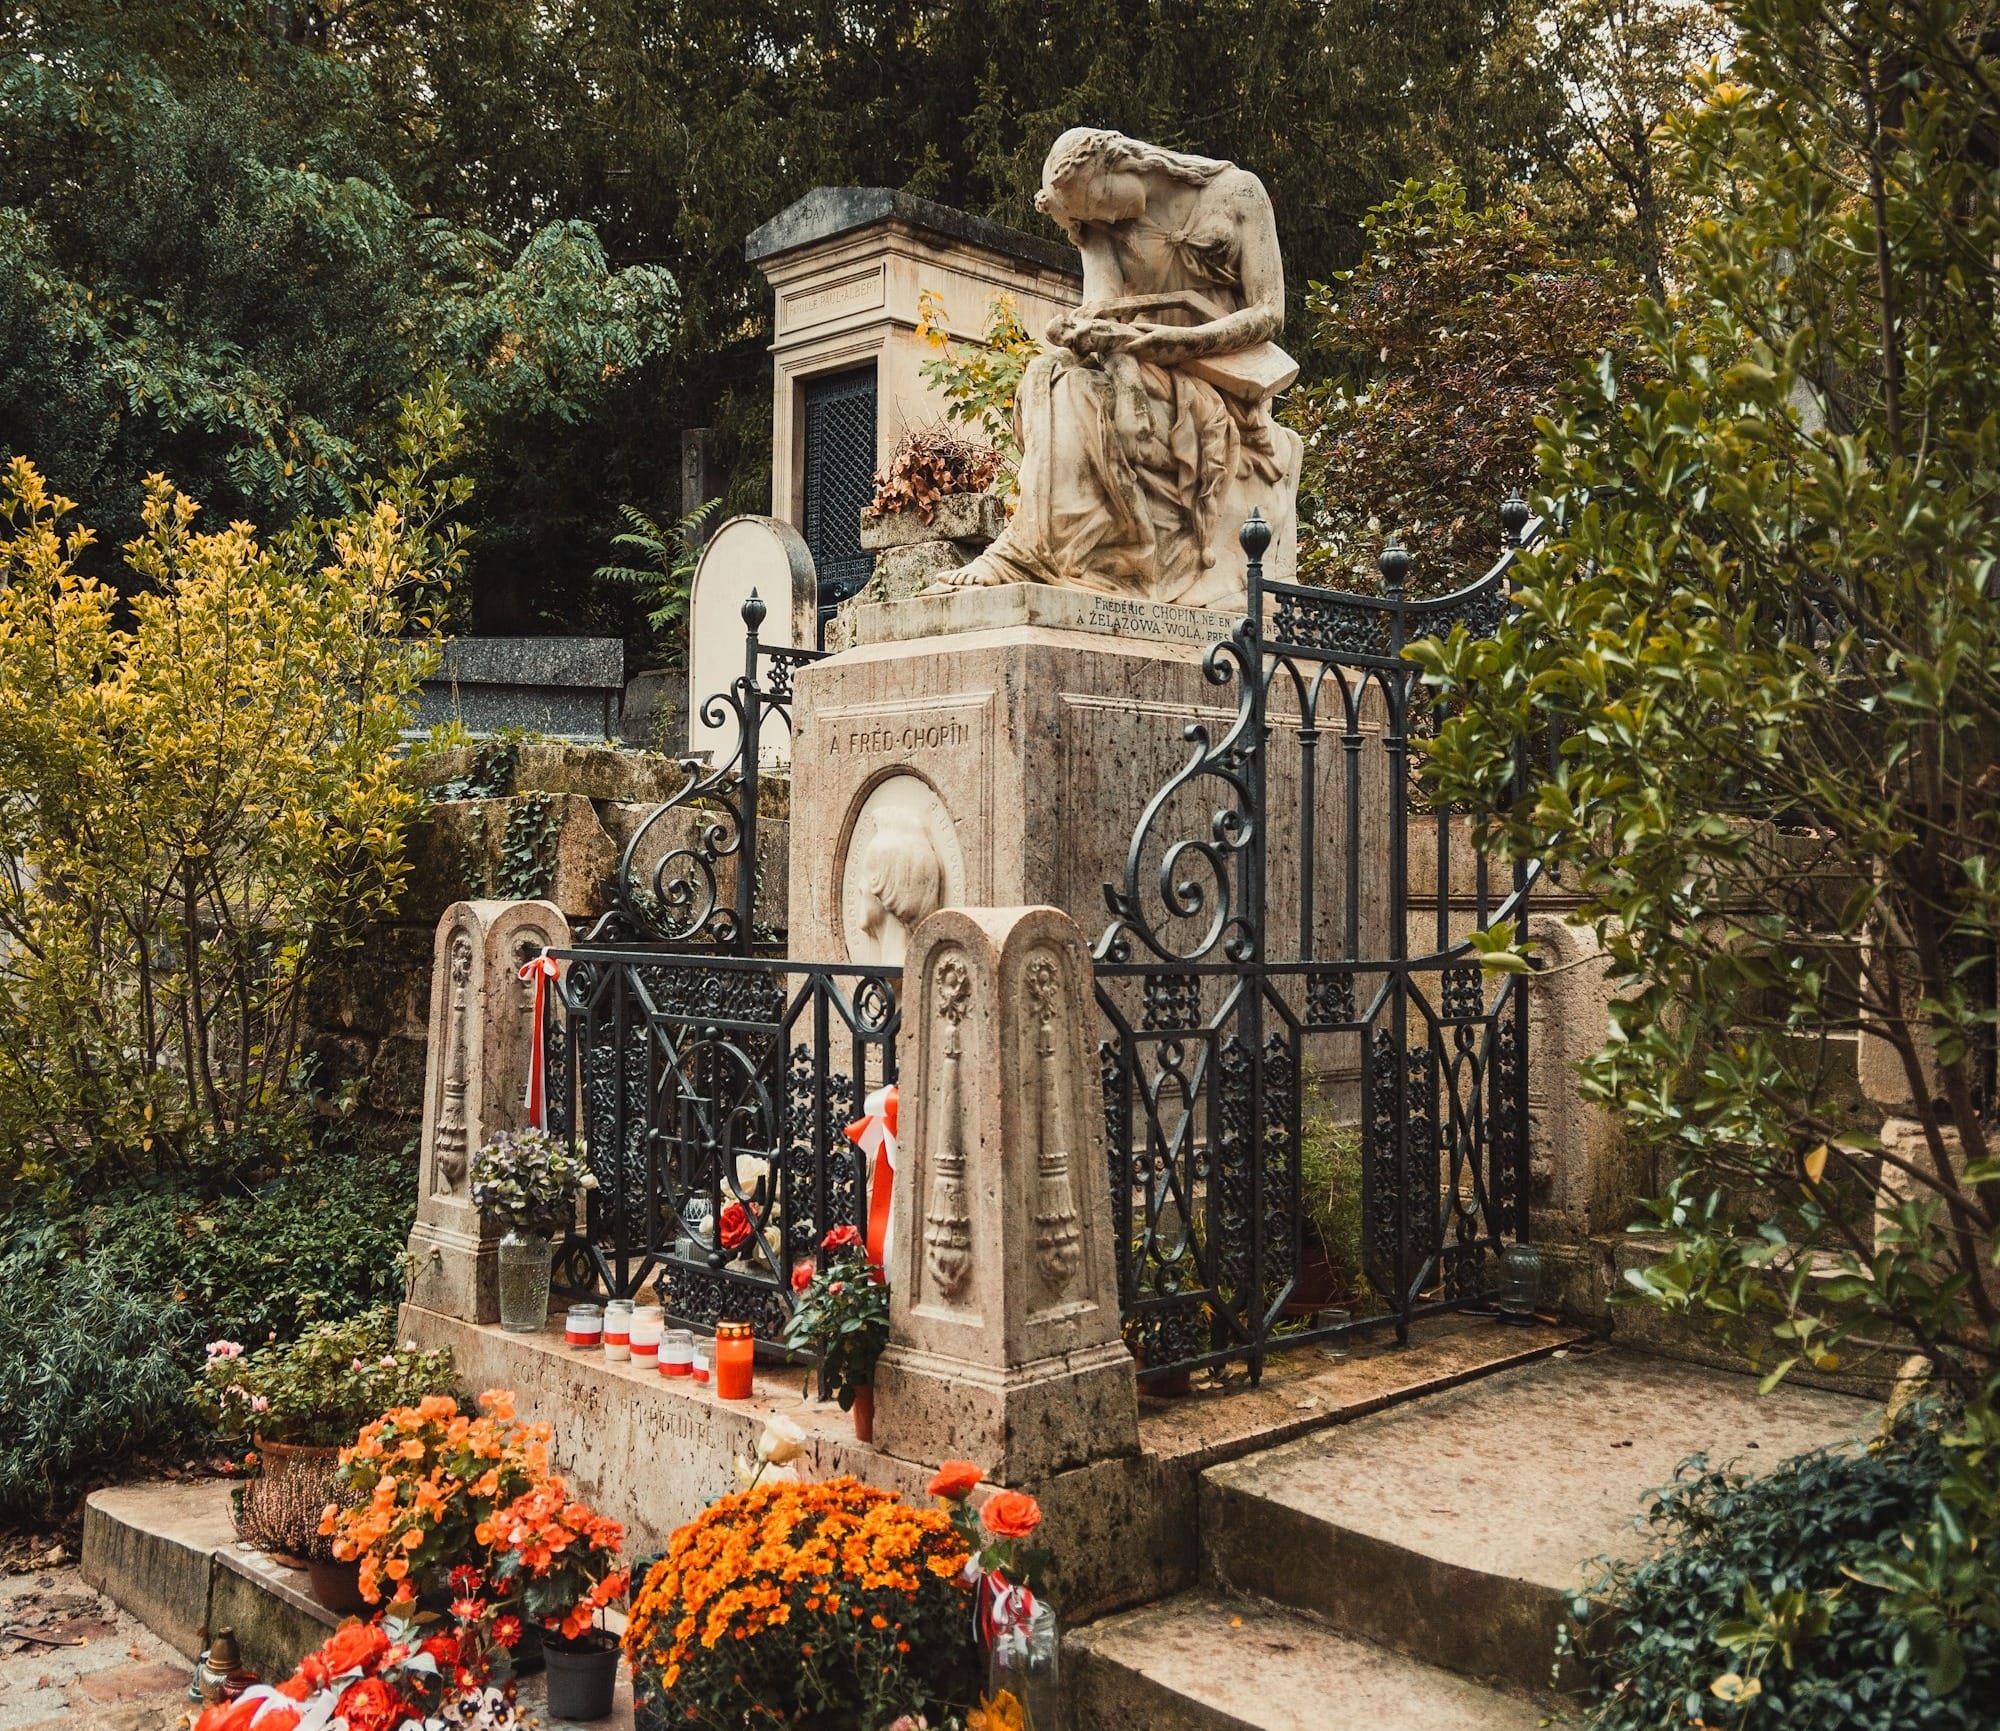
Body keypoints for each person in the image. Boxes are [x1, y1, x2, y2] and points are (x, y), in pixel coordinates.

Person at [939, 128, 1299, 608]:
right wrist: (1093, 341)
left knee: (1077, 392)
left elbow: (1269, 314)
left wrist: (1173, 341)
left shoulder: (1236, 193)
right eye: (1090, 215)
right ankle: (1035, 551)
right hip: (1139, 364)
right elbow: (1104, 312)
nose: (1105, 217)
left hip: (1218, 376)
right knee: (1049, 377)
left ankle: (1053, 552)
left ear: (1122, 160)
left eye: (1103, 199)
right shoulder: (1099, 226)